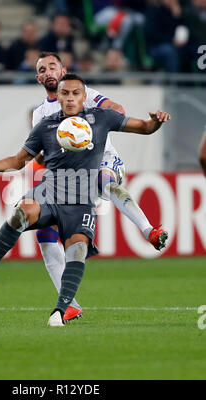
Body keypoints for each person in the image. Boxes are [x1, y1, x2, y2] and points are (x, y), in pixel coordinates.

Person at [0, 73, 171, 327]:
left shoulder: (102, 118)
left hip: (81, 200)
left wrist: (156, 122)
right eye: (65, 94)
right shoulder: (46, 125)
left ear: (84, 96)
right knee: (22, 211)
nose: (70, 98)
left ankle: (60, 311)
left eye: (75, 94)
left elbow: (145, 128)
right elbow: (18, 161)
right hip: (50, 192)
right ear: (57, 97)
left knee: (77, 250)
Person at [30, 52, 168, 321]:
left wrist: (93, 125)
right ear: (38, 78)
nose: (48, 71)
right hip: (70, 179)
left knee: (105, 180)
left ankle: (149, 231)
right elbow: (38, 154)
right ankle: (70, 304)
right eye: (42, 69)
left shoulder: (84, 93)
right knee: (45, 236)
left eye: (52, 66)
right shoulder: (40, 114)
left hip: (103, 162)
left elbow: (117, 109)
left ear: (63, 70)